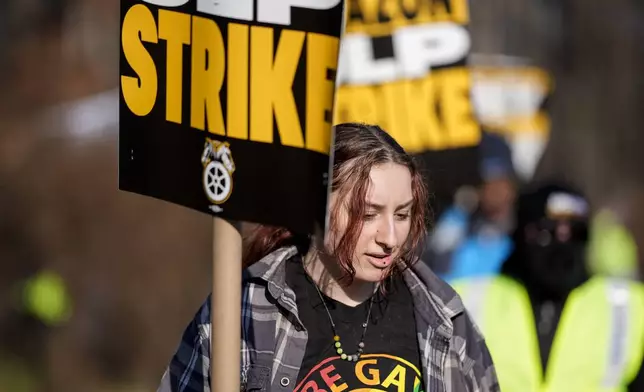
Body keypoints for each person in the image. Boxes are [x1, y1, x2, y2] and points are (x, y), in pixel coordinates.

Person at [157, 123, 500, 392]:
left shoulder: (442, 315)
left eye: (401, 215)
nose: (390, 239)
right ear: (316, 208)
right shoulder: (245, 309)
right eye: (368, 214)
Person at [452, 182, 644, 392]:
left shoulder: (632, 307)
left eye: (575, 232)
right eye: (546, 232)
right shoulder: (462, 300)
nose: (561, 243)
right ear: (520, 235)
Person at [426, 132, 517, 281]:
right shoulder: (456, 223)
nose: (495, 190)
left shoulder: (524, 227)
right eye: (487, 182)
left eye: (501, 181)